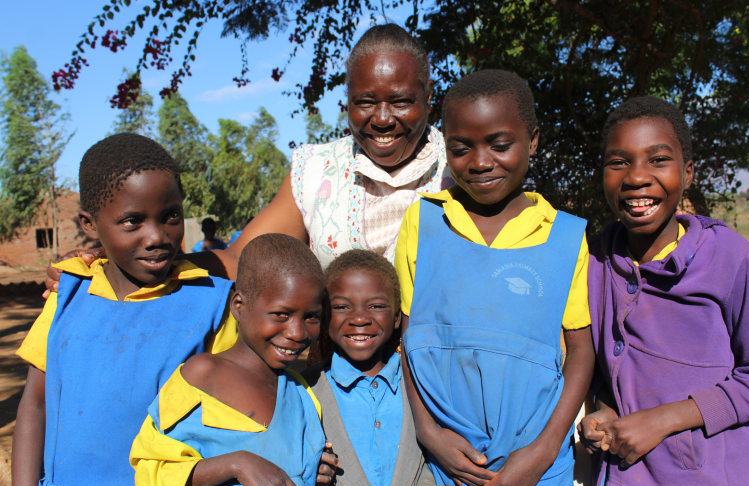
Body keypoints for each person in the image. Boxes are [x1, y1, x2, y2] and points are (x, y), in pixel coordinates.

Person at [42, 23, 453, 296]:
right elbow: (243, 259)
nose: (382, 119)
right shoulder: (318, 172)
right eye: (365, 102)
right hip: (335, 377)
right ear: (346, 104)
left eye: (401, 102)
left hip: (443, 377)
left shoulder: (460, 168)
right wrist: (121, 266)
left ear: (429, 100)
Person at [395, 70, 595, 486]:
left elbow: (582, 352)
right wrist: (428, 432)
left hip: (535, 462)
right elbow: (409, 340)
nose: (481, 162)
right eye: (461, 148)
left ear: (534, 140)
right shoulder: (424, 223)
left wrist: (544, 450)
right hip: (447, 461)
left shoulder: (565, 237)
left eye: (500, 145)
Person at [11, 133, 237, 486]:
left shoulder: (213, 304)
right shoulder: (66, 299)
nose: (157, 237)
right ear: (89, 224)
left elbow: (238, 408)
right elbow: (35, 404)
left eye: (171, 217)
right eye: (132, 221)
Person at [579, 97, 749, 486]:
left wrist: (665, 419)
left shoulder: (731, 258)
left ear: (687, 173)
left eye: (658, 160)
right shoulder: (594, 261)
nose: (637, 177)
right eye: (619, 162)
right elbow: (611, 369)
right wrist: (605, 408)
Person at [131, 234, 328, 486]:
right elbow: (155, 470)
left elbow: (298, 471)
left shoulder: (301, 393)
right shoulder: (203, 375)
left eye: (311, 317)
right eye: (281, 314)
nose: (297, 332)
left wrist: (317, 474)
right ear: (239, 306)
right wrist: (237, 464)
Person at [302, 250, 461, 486]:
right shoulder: (306, 389)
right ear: (325, 317)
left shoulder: (421, 384)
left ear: (397, 317)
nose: (360, 318)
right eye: (342, 307)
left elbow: (419, 465)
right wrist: (313, 481)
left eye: (376, 306)